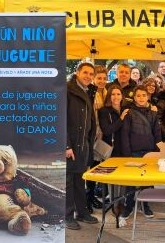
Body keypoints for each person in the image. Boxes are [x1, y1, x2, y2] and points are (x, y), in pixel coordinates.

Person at [120, 85, 162, 219]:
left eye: (144, 95)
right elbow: (124, 134)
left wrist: (157, 152)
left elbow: (157, 133)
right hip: (133, 152)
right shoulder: (128, 112)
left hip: (149, 152)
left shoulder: (153, 113)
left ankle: (146, 205)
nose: (141, 98)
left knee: (147, 181)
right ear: (134, 98)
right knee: (131, 182)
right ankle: (129, 205)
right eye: (138, 96)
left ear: (148, 97)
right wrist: (127, 154)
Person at [66, 62, 98, 230]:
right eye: (85, 72)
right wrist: (66, 146)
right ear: (77, 73)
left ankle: (82, 211)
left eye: (91, 74)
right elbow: (59, 119)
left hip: (83, 143)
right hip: (71, 145)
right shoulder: (67, 90)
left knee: (80, 180)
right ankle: (67, 215)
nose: (88, 76)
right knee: (69, 181)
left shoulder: (89, 91)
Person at [85, 66, 108, 213]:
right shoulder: (91, 93)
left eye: (104, 78)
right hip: (92, 134)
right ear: (94, 78)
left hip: (102, 135)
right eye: (99, 78)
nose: (102, 81)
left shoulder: (105, 92)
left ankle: (92, 196)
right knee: (91, 167)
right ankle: (87, 198)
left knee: (97, 167)